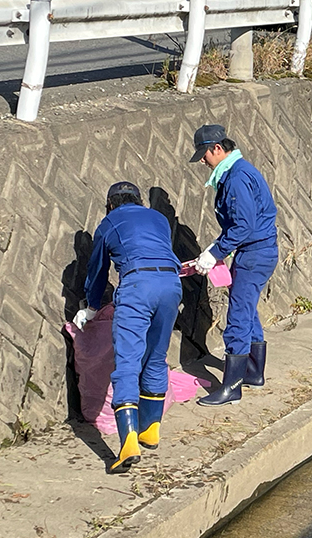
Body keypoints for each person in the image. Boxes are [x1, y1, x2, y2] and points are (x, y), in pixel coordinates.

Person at [77, 181, 182, 474]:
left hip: (138, 286)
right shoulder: (159, 218)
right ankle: (151, 429)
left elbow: (97, 271)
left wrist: (91, 307)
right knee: (156, 356)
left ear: (111, 204)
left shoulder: (109, 222)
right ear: (137, 200)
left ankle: (128, 445)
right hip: (171, 285)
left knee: (126, 362)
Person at [190, 124, 279, 407]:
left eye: (204, 154)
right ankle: (253, 372)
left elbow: (243, 225)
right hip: (257, 251)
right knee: (247, 308)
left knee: (238, 316)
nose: (202, 160)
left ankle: (232, 387)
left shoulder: (237, 178)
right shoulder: (239, 171)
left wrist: (215, 253)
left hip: (254, 253)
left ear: (217, 148)